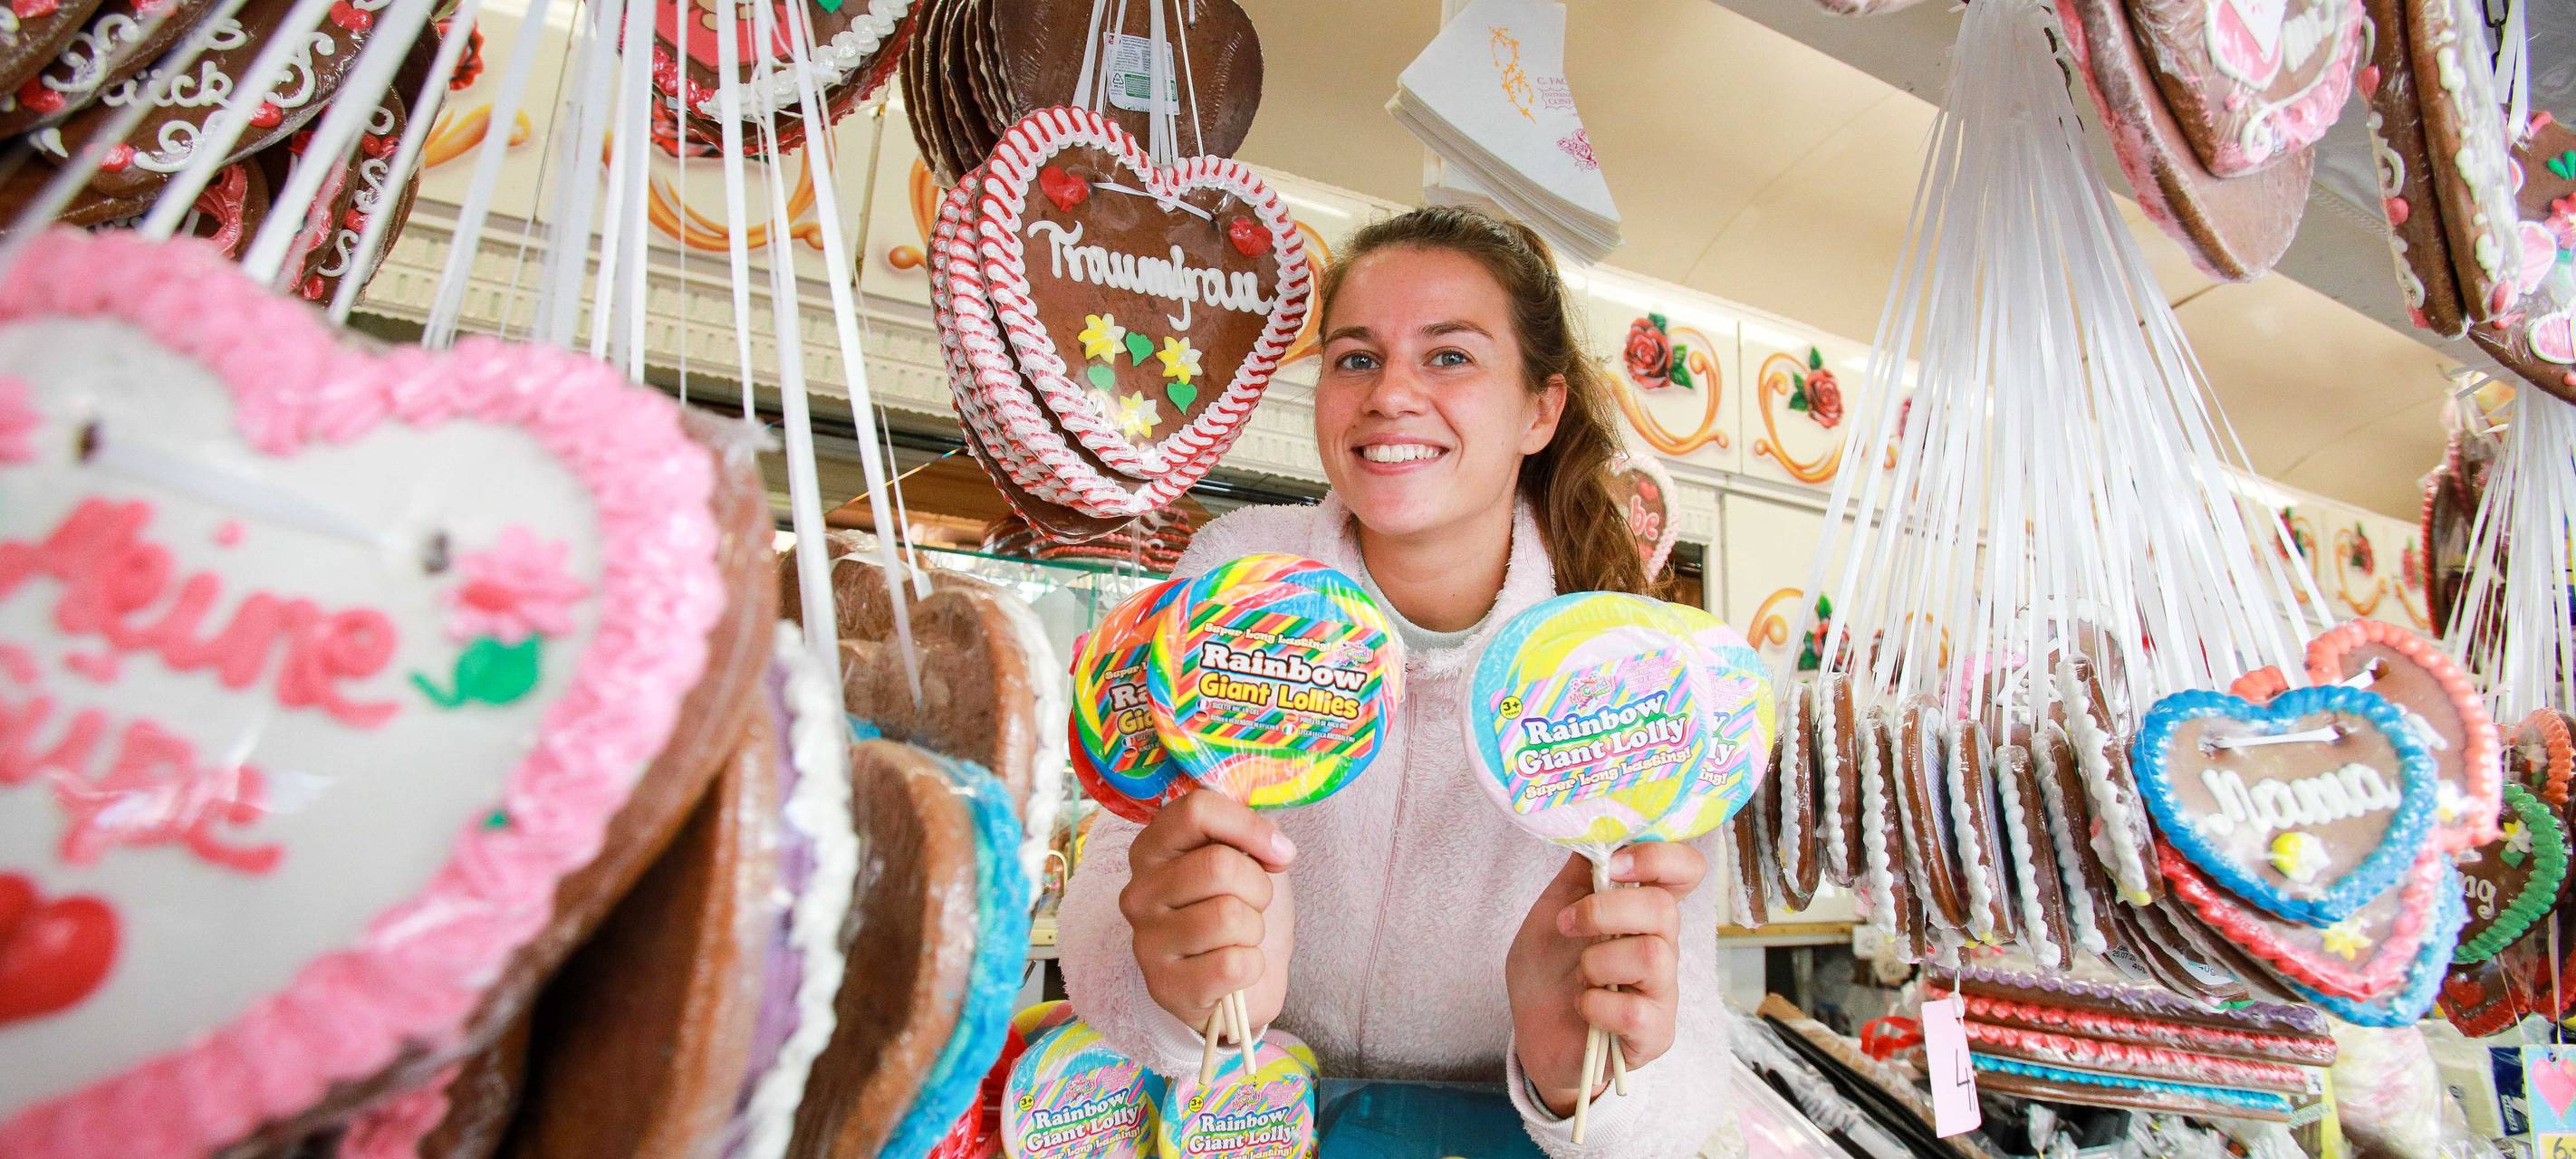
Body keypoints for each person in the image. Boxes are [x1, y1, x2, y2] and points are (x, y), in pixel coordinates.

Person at [1058, 205, 1733, 1157]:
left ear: (1540, 410)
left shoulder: (1626, 679)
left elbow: (1693, 1058)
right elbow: (1109, 898)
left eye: (1450, 355)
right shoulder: (1231, 591)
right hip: (1243, 1129)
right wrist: (1174, 992)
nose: (1391, 394)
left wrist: (1581, 1076)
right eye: (1356, 357)